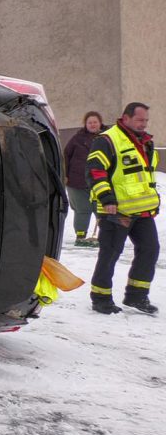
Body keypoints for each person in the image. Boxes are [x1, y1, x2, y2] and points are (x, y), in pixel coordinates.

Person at [86, 102, 159, 314]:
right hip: (115, 212)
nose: (144, 124)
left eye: (146, 120)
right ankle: (101, 298)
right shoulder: (107, 140)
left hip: (142, 211)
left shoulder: (145, 141)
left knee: (150, 249)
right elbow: (95, 171)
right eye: (140, 120)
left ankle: (136, 296)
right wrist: (107, 199)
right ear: (125, 118)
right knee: (110, 254)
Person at [63, 111, 105, 246]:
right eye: (89, 122)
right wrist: (65, 174)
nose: (92, 125)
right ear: (85, 124)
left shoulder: (107, 138)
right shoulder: (77, 139)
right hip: (77, 181)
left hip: (100, 181)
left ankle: (104, 236)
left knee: (101, 209)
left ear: (100, 123)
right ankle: (80, 236)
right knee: (82, 209)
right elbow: (66, 156)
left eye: (95, 122)